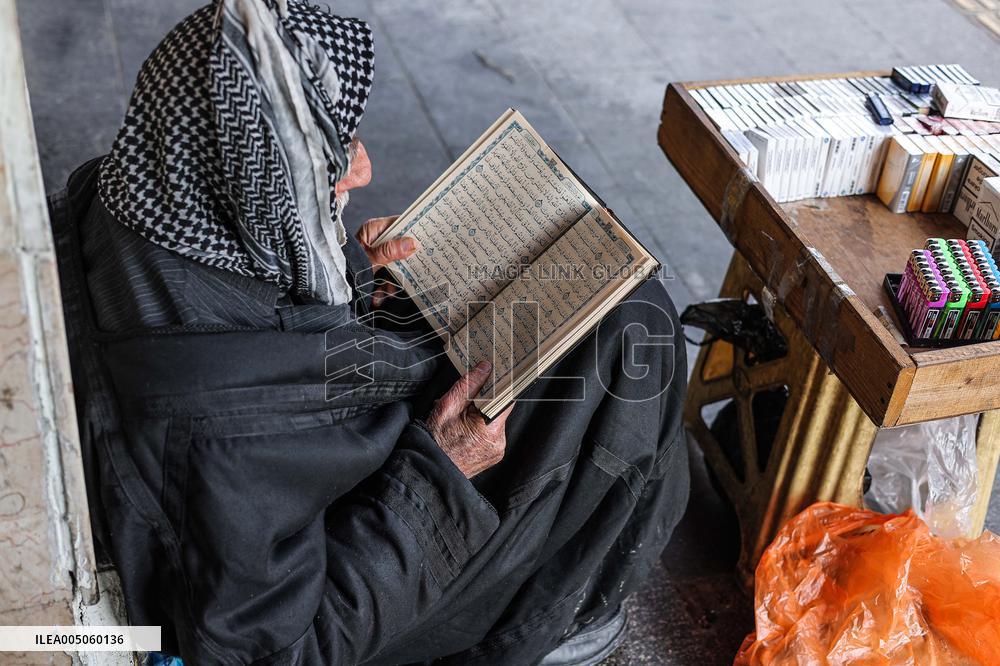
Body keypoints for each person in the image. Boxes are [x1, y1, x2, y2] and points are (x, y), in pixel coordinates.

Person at [49, 1, 690, 664]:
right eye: (324, 160)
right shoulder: (221, 437)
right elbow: (282, 651)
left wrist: (344, 277)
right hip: (346, 558)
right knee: (626, 331)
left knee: (596, 292)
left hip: (278, 467)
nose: (360, 169)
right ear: (264, 192)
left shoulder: (138, 192)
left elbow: (243, 333)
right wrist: (444, 470)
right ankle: (556, 616)